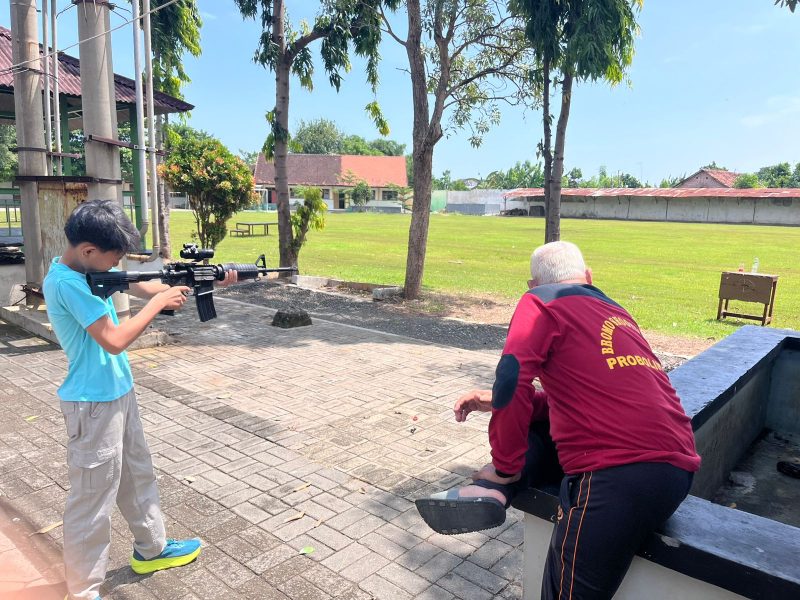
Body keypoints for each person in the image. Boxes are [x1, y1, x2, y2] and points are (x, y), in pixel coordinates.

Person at [416, 240, 701, 600]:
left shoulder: (541, 301)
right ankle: (498, 489)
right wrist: (497, 401)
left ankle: (498, 483)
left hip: (617, 476)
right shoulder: (616, 312)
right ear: (589, 277)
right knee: (537, 422)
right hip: (678, 470)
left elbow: (512, 380)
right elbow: (585, 400)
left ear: (532, 285)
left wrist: (504, 465)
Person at [43, 200, 238, 600]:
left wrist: (203, 280)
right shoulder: (66, 283)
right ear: (88, 250)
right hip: (92, 405)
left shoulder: (90, 268)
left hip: (118, 392)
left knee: (136, 475)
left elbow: (144, 284)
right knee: (92, 500)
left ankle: (151, 549)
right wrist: (157, 305)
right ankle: (82, 591)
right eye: (114, 257)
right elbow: (114, 340)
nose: (117, 265)